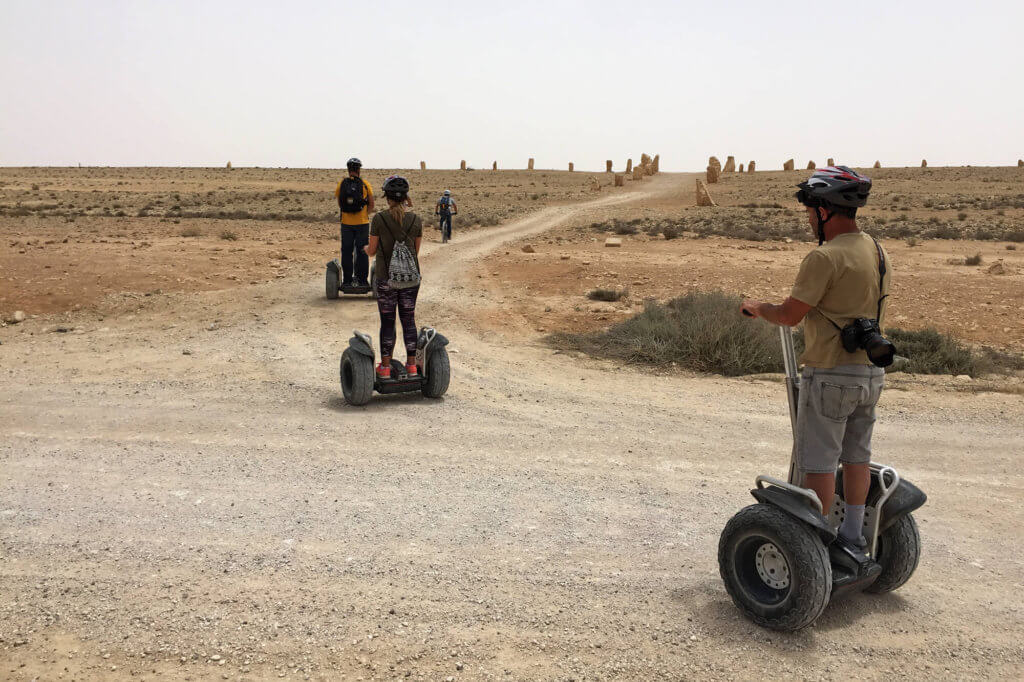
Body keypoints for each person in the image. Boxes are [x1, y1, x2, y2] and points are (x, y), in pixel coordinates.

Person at [740, 166, 890, 572]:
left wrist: (758, 307)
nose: (808, 217)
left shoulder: (824, 257)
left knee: (819, 463)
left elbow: (790, 315)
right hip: (870, 375)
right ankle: (853, 538)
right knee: (857, 458)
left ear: (826, 209)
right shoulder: (876, 250)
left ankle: (816, 549)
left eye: (811, 209)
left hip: (829, 374)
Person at [364, 175, 422, 379]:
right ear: (406, 197)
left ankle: (386, 368)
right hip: (410, 280)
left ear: (387, 197)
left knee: (387, 322)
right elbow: (415, 252)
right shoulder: (416, 220)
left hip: (386, 279)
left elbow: (371, 251)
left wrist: (365, 249)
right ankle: (413, 367)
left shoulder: (379, 219)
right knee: (409, 320)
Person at [334, 157, 374, 287]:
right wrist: (364, 215)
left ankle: (347, 280)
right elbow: (372, 205)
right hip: (362, 223)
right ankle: (362, 280)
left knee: (346, 251)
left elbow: (340, 203)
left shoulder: (342, 184)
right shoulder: (365, 184)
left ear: (348, 170)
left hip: (346, 224)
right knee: (362, 250)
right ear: (359, 170)